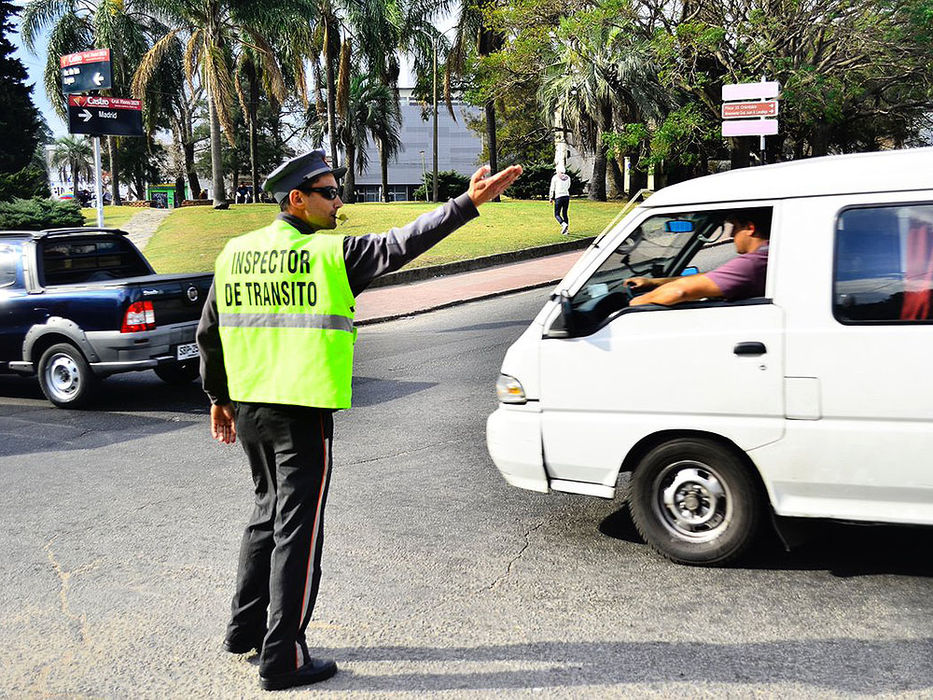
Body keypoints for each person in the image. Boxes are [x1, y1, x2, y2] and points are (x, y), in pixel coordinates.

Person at [196, 150, 522, 692]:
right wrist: (467, 203)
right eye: (328, 192)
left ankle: (243, 630)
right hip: (301, 410)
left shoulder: (236, 253)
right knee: (297, 529)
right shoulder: (330, 256)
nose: (339, 201)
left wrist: (218, 398)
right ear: (296, 199)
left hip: (251, 408)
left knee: (264, 516)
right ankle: (283, 657)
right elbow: (403, 242)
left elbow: (210, 333)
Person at [627, 208, 771, 306]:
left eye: (735, 227)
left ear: (750, 228)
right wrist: (653, 283)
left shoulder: (753, 263)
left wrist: (633, 304)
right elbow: (712, 277)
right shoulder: (768, 254)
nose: (732, 235)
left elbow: (679, 291)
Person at [548, 165, 572, 235]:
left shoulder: (555, 177)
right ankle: (566, 231)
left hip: (559, 197)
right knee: (565, 213)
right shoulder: (568, 177)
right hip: (566, 196)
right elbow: (568, 186)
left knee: (556, 214)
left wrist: (551, 198)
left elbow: (552, 188)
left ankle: (563, 224)